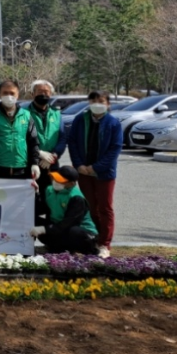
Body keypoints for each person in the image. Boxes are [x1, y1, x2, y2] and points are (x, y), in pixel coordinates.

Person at [67, 91, 122, 258]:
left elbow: (114, 149)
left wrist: (96, 167)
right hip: (83, 172)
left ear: (108, 104)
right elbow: (73, 142)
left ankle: (105, 244)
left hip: (104, 173)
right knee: (90, 208)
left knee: (105, 208)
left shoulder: (113, 123)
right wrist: (79, 165)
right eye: (93, 101)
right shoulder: (80, 119)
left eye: (101, 101)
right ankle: (95, 239)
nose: (97, 104)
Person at [30, 166, 100, 255]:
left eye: (60, 180)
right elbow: (40, 209)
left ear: (71, 183)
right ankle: (58, 248)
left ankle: (90, 251)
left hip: (82, 232)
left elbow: (69, 223)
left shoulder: (76, 198)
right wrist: (36, 194)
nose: (55, 182)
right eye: (55, 178)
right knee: (34, 220)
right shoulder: (50, 190)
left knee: (73, 231)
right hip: (58, 227)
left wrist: (44, 229)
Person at [0, 80, 41, 180]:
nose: (9, 96)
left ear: (17, 94)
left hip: (22, 168)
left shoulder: (26, 115)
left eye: (12, 93)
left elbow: (33, 141)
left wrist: (35, 163)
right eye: (5, 93)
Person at [27, 80, 67, 213]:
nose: (43, 94)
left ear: (51, 94)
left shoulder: (56, 113)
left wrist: (53, 156)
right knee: (32, 198)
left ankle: (51, 225)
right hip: (31, 162)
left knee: (53, 197)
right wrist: (39, 153)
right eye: (40, 92)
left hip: (52, 163)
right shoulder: (24, 113)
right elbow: (20, 138)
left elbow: (62, 138)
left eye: (46, 92)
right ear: (32, 94)